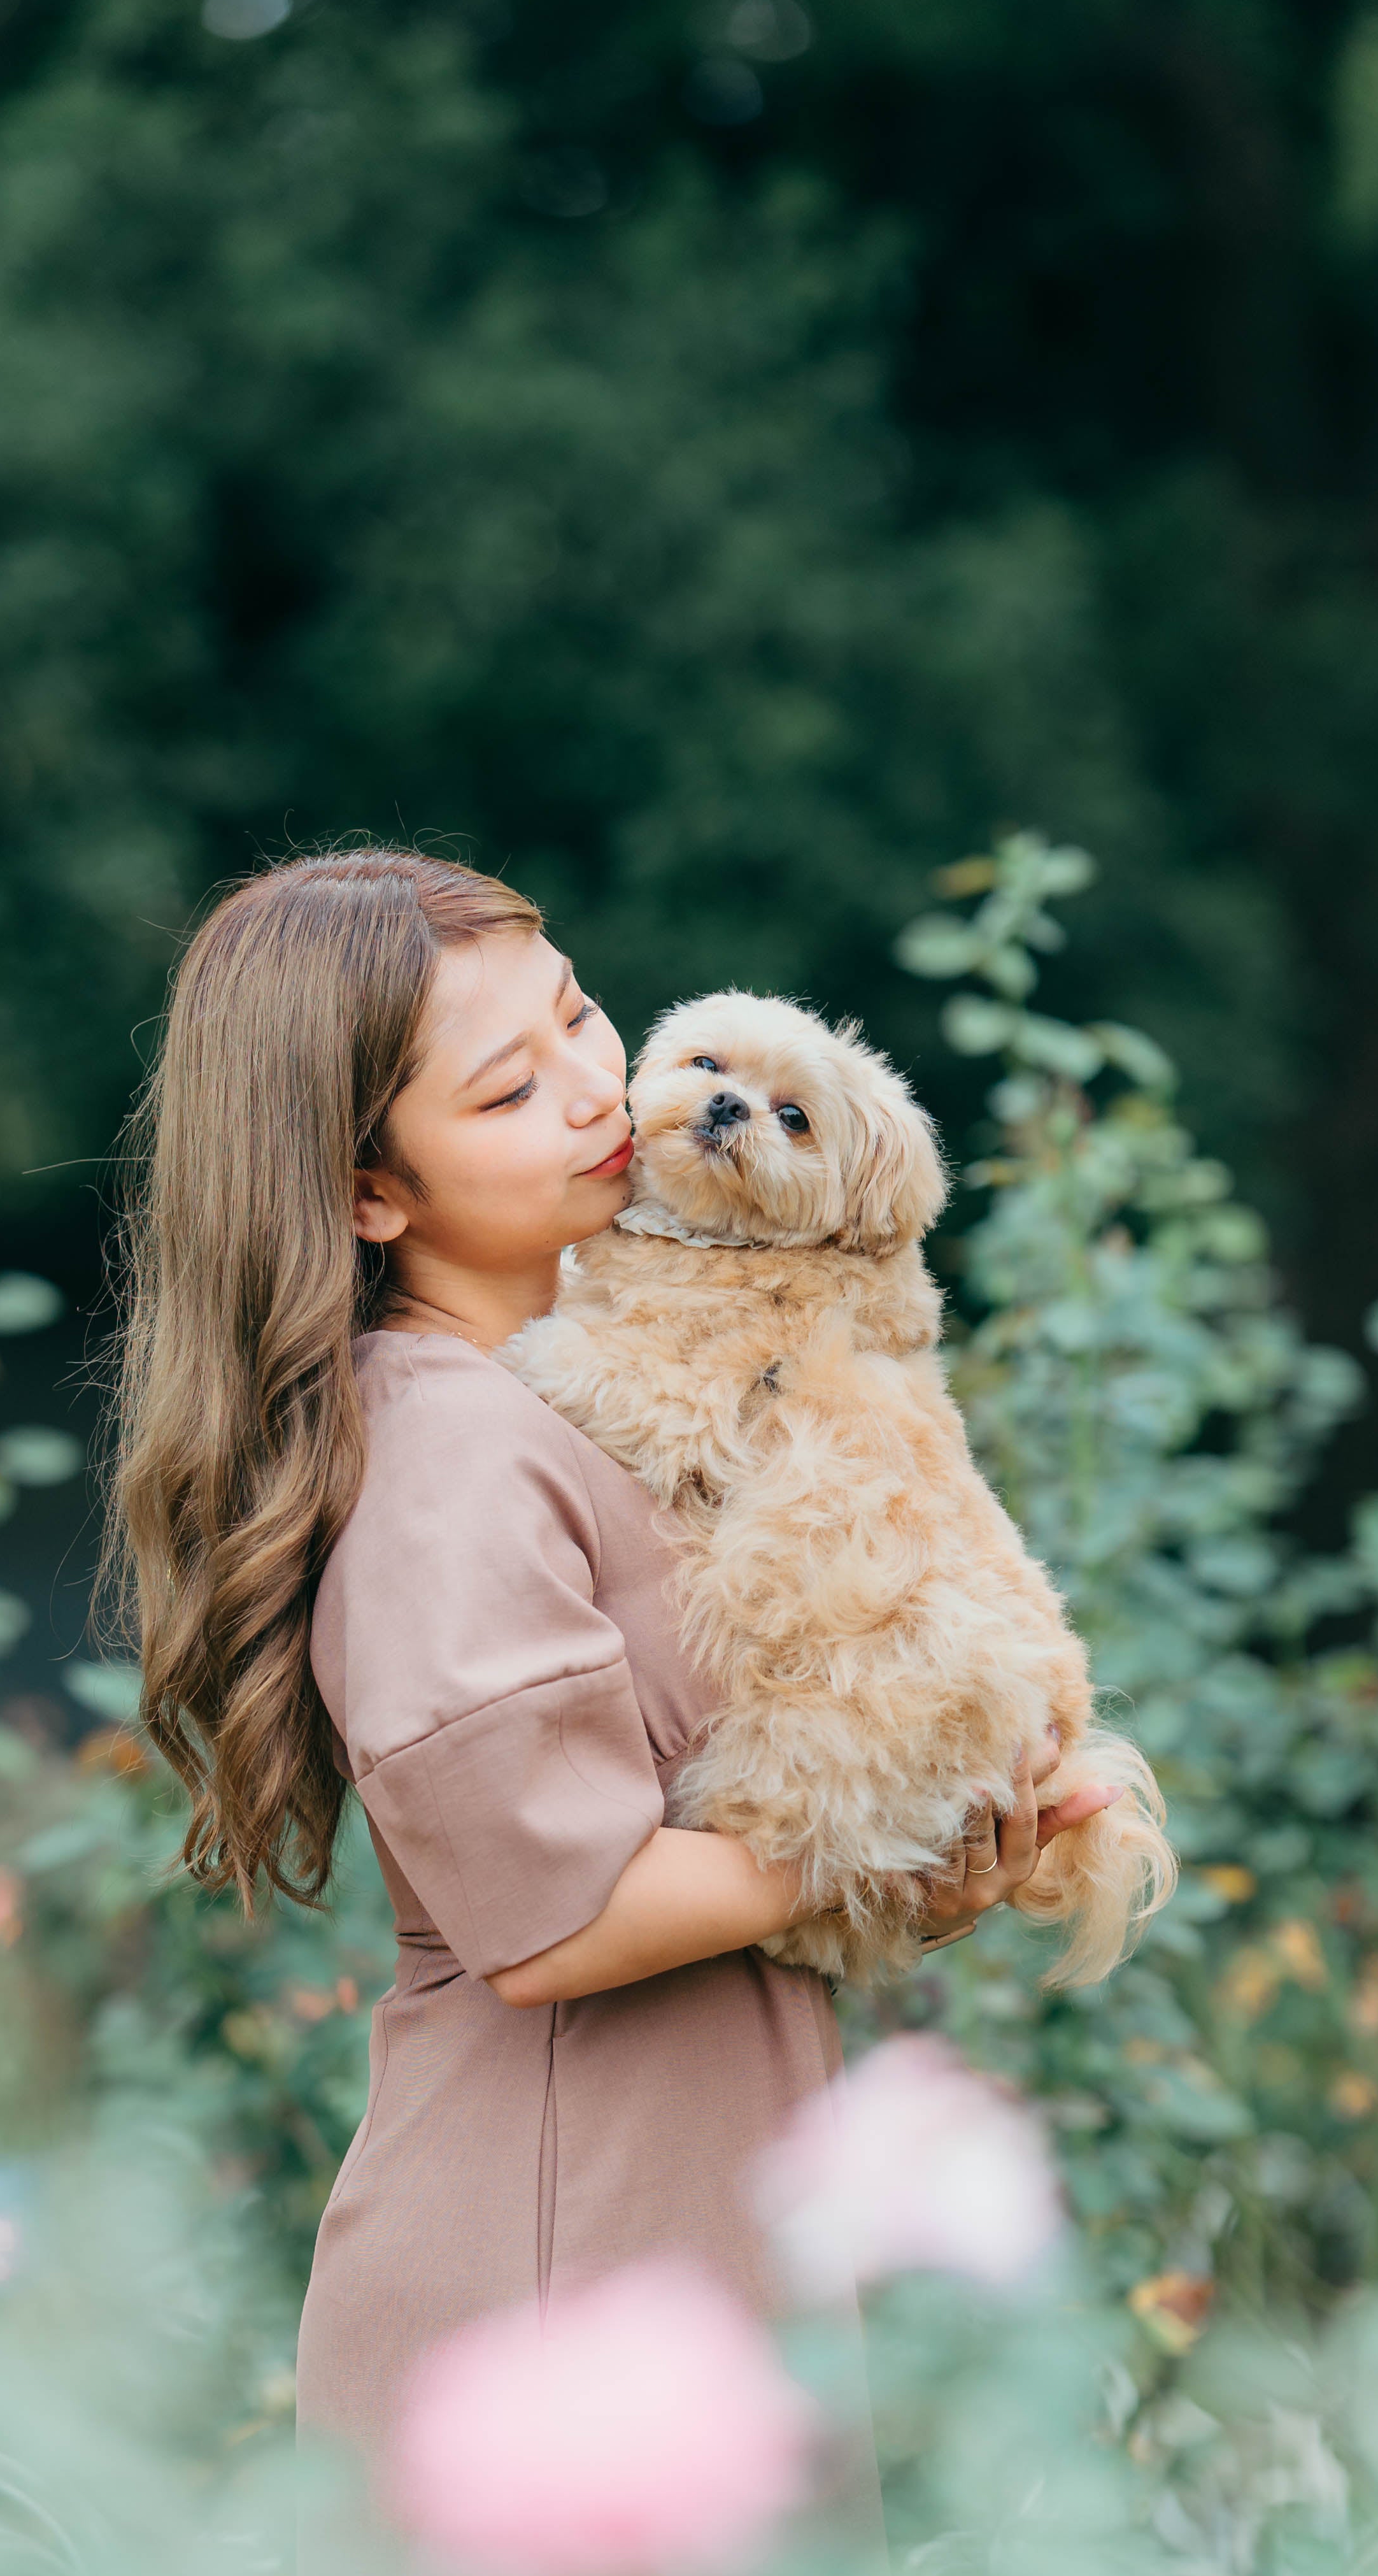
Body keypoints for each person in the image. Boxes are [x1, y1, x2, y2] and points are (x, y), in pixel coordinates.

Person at [113, 848, 1112, 2452]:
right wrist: (881, 1843)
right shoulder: (446, 1446)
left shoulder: (578, 1397)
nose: (594, 1090)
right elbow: (558, 1921)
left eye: (583, 1014)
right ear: (370, 1193)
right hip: (560, 2246)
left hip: (674, 2205)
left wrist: (928, 1827)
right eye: (512, 1090)